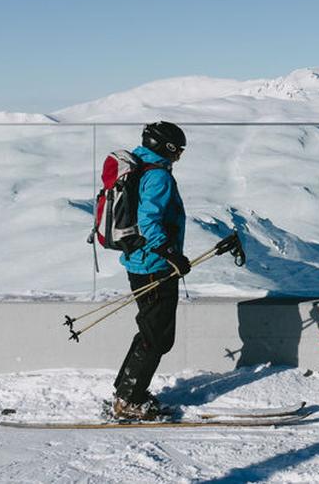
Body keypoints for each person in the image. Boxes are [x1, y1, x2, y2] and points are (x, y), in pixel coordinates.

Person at [111, 121, 194, 420]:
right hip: (153, 264)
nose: (179, 157)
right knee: (157, 337)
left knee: (150, 330)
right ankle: (129, 401)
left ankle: (125, 392)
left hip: (139, 261)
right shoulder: (157, 176)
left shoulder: (140, 167)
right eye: (178, 151)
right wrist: (169, 252)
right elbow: (149, 221)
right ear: (167, 147)